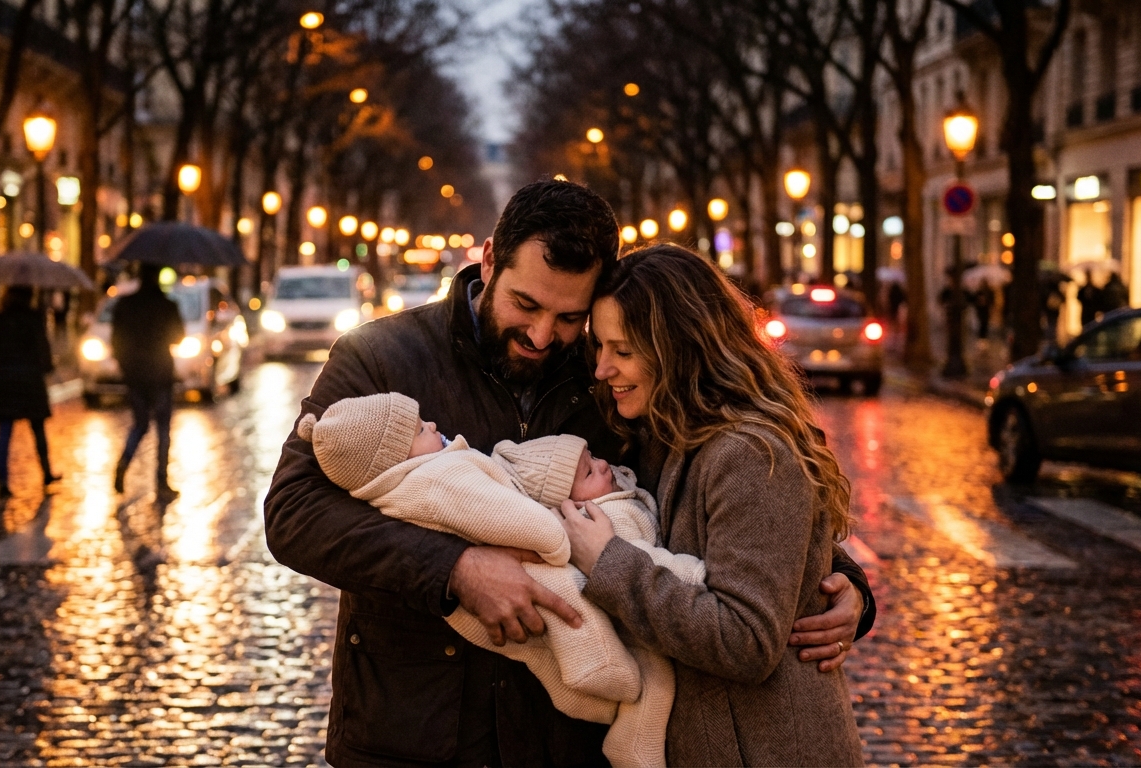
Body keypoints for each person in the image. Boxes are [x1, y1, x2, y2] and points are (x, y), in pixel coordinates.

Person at [264, 180, 875, 767]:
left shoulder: (612, 367)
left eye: (567, 318)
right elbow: (294, 513)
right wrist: (455, 569)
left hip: (567, 738)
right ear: (489, 260)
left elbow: (706, 492)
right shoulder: (379, 356)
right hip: (413, 729)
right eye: (525, 304)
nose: (540, 334)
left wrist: (836, 581)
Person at [560, 243, 863, 765]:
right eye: (600, 348)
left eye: (624, 351)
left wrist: (608, 562)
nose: (603, 368)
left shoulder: (749, 454)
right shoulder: (657, 430)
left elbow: (746, 638)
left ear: (681, 349)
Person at [300, 392, 703, 766]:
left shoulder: (407, 481)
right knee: (582, 616)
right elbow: (518, 521)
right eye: (421, 428)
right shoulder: (441, 476)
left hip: (502, 663)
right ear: (394, 454)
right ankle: (629, 641)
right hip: (442, 690)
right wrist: (567, 540)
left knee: (557, 652)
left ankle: (609, 710)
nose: (433, 426)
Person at [111, 263, 185, 502]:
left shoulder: (125, 304)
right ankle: (161, 482)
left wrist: (125, 366)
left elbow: (116, 339)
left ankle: (124, 463)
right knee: (163, 430)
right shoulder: (167, 305)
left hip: (135, 375)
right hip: (160, 374)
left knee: (139, 425)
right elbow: (178, 336)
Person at [0, 286, 59, 499]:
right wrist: (47, 368)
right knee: (38, 428)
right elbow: (42, 348)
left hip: (5, 378)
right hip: (29, 379)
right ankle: (46, 473)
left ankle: (2, 482)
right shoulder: (34, 318)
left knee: (4, 432)